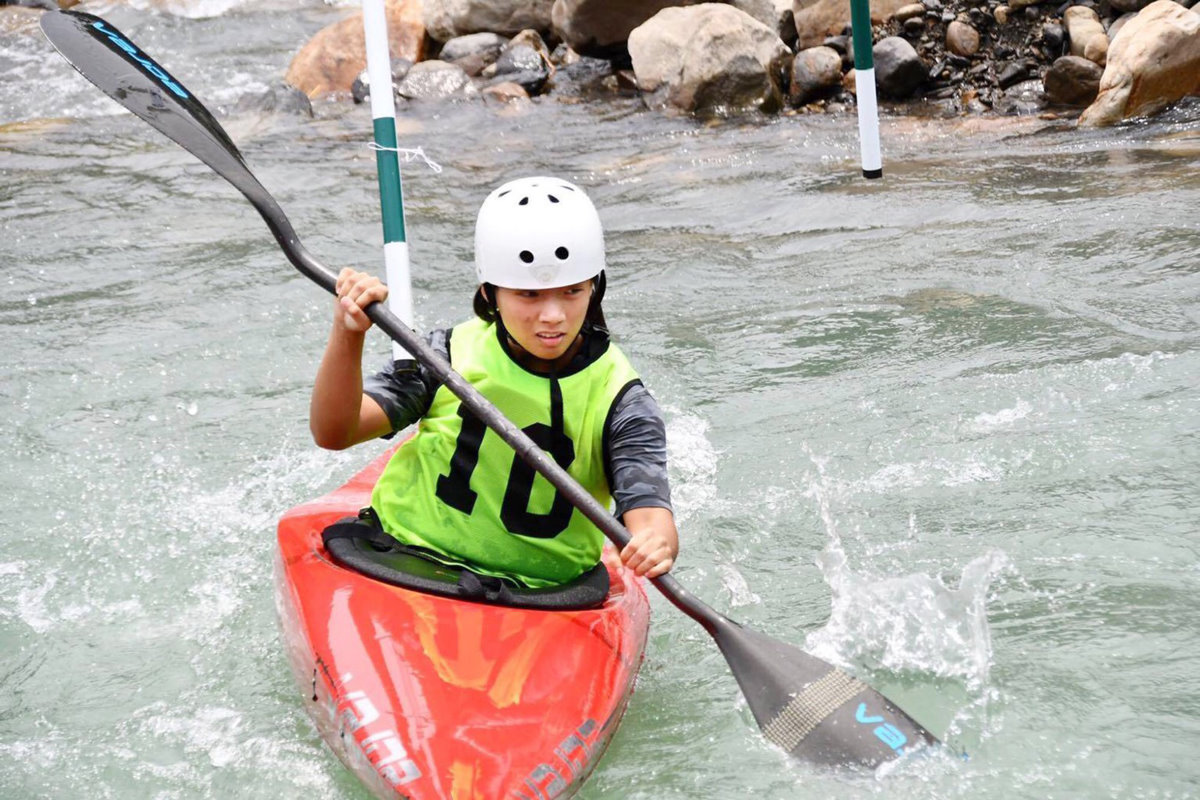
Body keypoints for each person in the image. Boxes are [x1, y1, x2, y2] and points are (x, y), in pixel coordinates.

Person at [309, 176, 678, 589]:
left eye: (572, 291)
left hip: (540, 593)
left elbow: (650, 517)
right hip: (403, 555)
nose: (553, 314)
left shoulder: (621, 397)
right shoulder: (445, 354)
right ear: (490, 293)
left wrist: (654, 543)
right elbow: (335, 432)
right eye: (529, 295)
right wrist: (348, 334)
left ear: (595, 288)